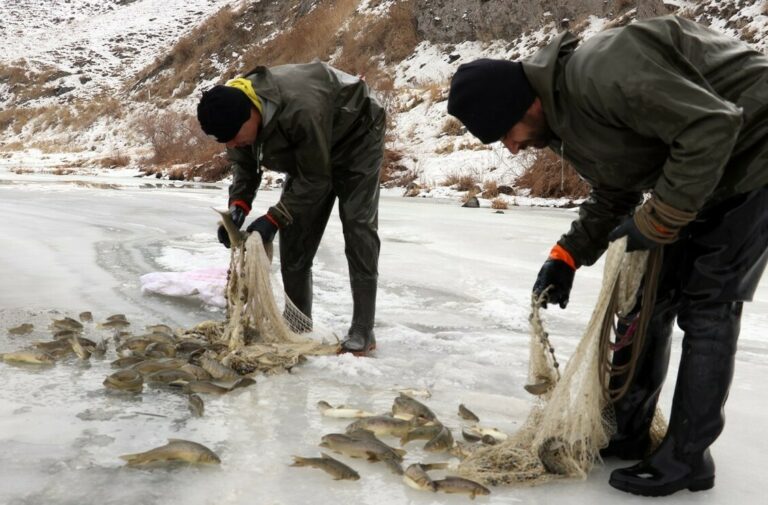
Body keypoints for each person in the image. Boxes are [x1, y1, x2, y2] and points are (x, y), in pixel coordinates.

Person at [447, 15, 768, 497]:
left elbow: (711, 124)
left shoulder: (603, 71)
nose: (512, 148)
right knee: (646, 297)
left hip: (754, 149)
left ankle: (688, 457)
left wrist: (655, 223)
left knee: (708, 303)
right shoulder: (562, 119)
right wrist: (568, 255)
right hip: (698, 165)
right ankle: (629, 429)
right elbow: (617, 186)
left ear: (525, 103)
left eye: (506, 132)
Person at [197, 61, 385, 356]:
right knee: (295, 235)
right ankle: (298, 323)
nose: (232, 143)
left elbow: (316, 179)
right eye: (226, 141)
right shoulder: (232, 116)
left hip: (356, 132)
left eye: (234, 136)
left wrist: (273, 218)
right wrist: (237, 207)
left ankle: (363, 328)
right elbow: (245, 166)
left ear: (251, 114)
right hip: (311, 146)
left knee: (357, 225)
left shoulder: (300, 109)